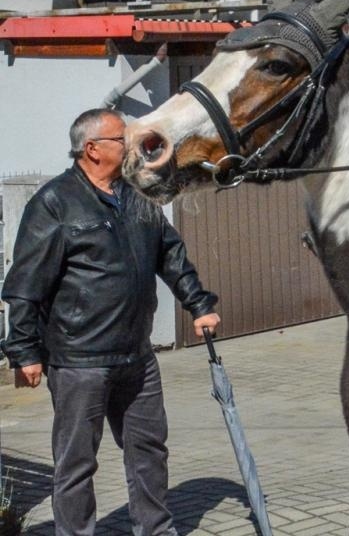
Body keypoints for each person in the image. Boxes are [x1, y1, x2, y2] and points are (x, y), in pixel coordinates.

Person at [3, 108, 221, 536]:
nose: (132, 145)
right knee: (77, 461)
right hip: (79, 360)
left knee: (149, 452)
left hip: (137, 357)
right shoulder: (55, 202)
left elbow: (170, 256)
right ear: (92, 149)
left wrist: (199, 304)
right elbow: (26, 283)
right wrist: (24, 350)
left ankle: (155, 529)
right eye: (123, 139)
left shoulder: (138, 197)